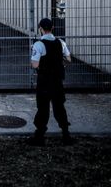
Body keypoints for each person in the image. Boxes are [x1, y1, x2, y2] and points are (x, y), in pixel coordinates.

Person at [27, 18, 73, 146]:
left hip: (44, 81)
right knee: (59, 107)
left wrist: (37, 61)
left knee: (43, 108)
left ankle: (39, 136)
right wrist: (60, 64)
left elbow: (35, 65)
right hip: (57, 81)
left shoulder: (38, 44)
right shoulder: (61, 42)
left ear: (40, 29)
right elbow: (68, 59)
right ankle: (66, 134)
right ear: (52, 28)